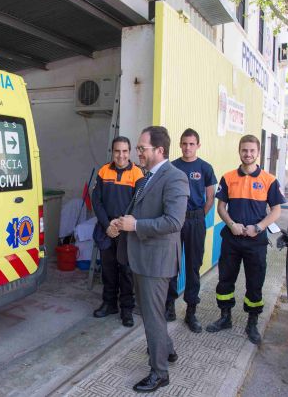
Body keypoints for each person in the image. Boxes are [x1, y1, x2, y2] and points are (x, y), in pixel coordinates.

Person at [113, 126, 189, 392]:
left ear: (160, 150)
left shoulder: (175, 178)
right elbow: (136, 212)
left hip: (155, 262)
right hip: (141, 257)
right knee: (152, 313)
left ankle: (160, 373)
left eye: (142, 148)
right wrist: (122, 222)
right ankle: (167, 351)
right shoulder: (145, 178)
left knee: (152, 317)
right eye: (138, 148)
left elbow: (174, 221)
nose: (138, 153)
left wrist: (136, 226)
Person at [206, 134, 285, 345]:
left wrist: (258, 227)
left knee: (255, 283)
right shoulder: (228, 177)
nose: (248, 154)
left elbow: (276, 210)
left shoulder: (269, 180)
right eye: (244, 150)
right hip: (232, 240)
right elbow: (221, 207)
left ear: (258, 152)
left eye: (251, 150)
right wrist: (231, 224)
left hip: (256, 242)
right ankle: (225, 317)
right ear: (239, 151)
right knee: (225, 280)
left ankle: (252, 322)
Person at [165, 129, 216, 332]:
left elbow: (210, 197)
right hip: (175, 221)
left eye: (191, 144)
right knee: (171, 265)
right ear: (180, 144)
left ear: (198, 145)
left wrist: (198, 216)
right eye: (184, 143)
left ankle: (191, 312)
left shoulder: (205, 167)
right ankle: (169, 306)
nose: (187, 147)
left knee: (193, 266)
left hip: (196, 220)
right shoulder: (172, 167)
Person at [91, 136, 144, 327]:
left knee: (126, 272)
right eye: (117, 151)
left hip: (126, 231)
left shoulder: (138, 174)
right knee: (108, 270)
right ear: (112, 152)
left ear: (129, 152)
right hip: (107, 229)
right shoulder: (104, 171)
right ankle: (109, 304)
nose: (120, 156)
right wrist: (107, 225)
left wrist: (120, 224)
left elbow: (138, 205)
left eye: (124, 151)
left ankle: (127, 310)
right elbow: (96, 201)